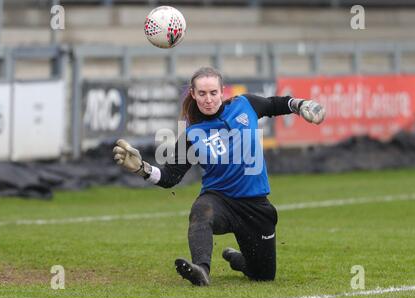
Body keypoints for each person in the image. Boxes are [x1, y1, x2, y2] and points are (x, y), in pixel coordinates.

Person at [113, 67, 325, 286]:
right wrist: (141, 169)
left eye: (213, 92)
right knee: (201, 211)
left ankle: (236, 259)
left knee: (263, 276)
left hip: (256, 205)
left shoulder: (245, 104)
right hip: (220, 200)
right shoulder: (192, 135)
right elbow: (169, 178)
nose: (208, 99)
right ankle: (201, 270)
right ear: (193, 94)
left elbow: (274, 104)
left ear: (222, 91)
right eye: (202, 94)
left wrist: (301, 105)